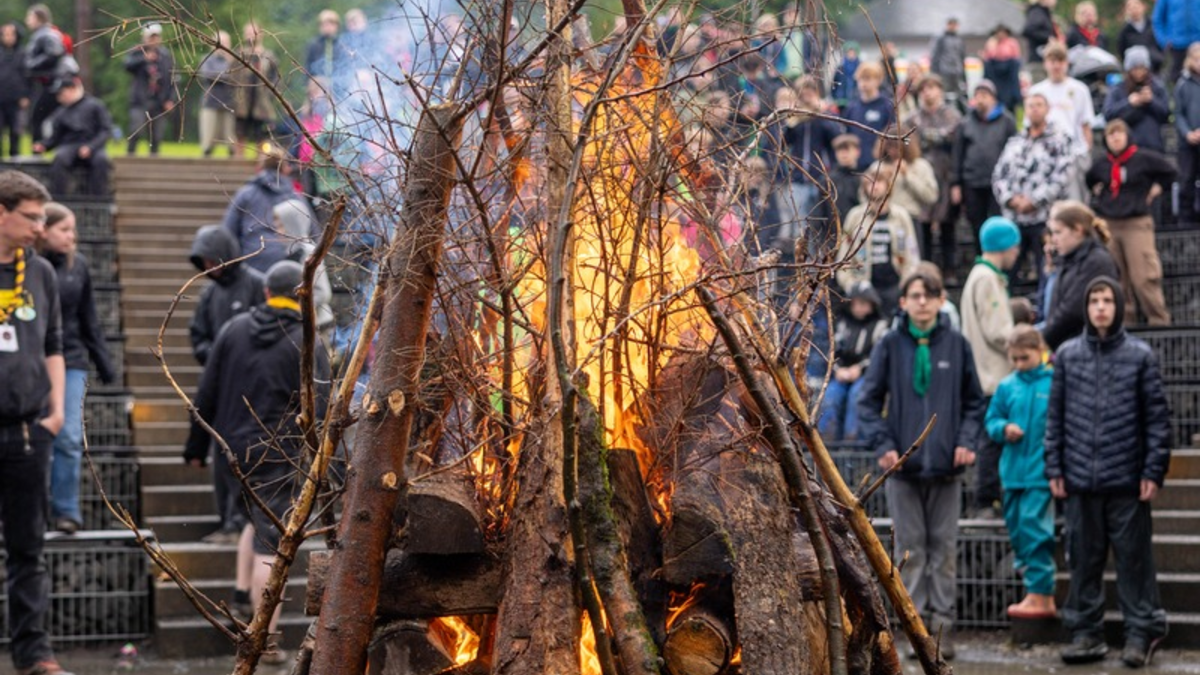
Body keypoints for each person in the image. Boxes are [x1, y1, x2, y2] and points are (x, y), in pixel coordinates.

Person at [184, 261, 330, 665]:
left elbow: (206, 390)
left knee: (253, 519)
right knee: (272, 541)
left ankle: (239, 594)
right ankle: (263, 640)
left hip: (230, 447)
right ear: (303, 295)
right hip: (277, 453)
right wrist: (323, 462)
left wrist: (196, 446)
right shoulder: (306, 340)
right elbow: (320, 407)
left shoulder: (233, 329)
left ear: (266, 292)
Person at [857, 265, 986, 660]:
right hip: (903, 470)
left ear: (942, 300)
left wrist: (966, 441)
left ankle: (943, 629)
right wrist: (884, 445)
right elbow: (867, 401)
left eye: (930, 295)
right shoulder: (889, 345)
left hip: (947, 467)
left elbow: (974, 402)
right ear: (903, 301)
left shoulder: (957, 345)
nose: (923, 302)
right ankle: (916, 632)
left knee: (944, 550)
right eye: (915, 295)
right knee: (909, 551)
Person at [1046, 277, 1170, 667]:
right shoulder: (1067, 355)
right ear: (1086, 307)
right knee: (1083, 561)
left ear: (1118, 306)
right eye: (1094, 300)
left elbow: (1157, 419)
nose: (1100, 307)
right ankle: (1085, 634)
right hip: (1080, 479)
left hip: (1128, 481)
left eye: (1107, 300)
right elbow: (1055, 418)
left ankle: (1141, 633)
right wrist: (1055, 466)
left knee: (1135, 561)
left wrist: (1153, 470)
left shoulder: (1140, 355)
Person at [0, 170, 74, 675]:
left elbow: (53, 344)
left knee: (28, 550)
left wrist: (57, 412)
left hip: (29, 432)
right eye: (30, 218)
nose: (40, 228)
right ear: (1, 213)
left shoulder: (41, 272)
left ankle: (34, 656)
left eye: (44, 218)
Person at [36, 203, 114, 535]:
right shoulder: (28, 265)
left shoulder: (77, 265)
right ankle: (31, 508)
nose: (72, 236)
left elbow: (89, 318)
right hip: (31, 360)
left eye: (73, 230)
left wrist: (104, 364)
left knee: (68, 436)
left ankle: (66, 510)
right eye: (64, 229)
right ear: (44, 230)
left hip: (71, 359)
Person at [187, 224, 264, 545]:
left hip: (253, 386)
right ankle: (229, 522)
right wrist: (215, 357)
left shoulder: (256, 284)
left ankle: (242, 522)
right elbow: (198, 335)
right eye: (203, 262)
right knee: (221, 455)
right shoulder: (209, 294)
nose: (209, 267)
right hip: (220, 385)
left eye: (212, 260)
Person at [985, 325, 1056, 619]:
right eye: (1014, 359)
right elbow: (992, 419)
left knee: (1034, 528)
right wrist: (1003, 428)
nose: (1019, 364)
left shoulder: (1053, 383)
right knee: (1017, 530)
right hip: (1012, 472)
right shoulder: (1007, 386)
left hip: (1040, 472)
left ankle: (1042, 591)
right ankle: (1032, 590)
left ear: (1040, 352)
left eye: (1024, 358)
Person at [1085, 119, 1174, 326]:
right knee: (1116, 278)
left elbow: (1171, 172)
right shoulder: (1102, 164)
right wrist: (1098, 191)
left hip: (1136, 223)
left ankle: (1159, 321)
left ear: (1127, 136)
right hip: (1110, 224)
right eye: (1110, 135)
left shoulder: (1143, 158)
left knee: (1144, 276)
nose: (1115, 138)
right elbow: (1090, 179)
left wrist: (1157, 189)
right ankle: (1124, 323)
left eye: (1119, 133)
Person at [959, 217, 1020, 517]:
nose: (1017, 252)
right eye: (1015, 245)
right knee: (991, 440)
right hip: (991, 375)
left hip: (984, 371)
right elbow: (998, 330)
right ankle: (985, 500)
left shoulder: (980, 275)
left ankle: (987, 499)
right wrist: (1025, 339)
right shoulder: (987, 278)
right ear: (1005, 246)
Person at [992, 93, 1074, 282]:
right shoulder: (1015, 142)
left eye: (1039, 105)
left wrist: (1035, 200)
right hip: (1014, 219)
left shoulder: (1060, 140)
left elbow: (1063, 175)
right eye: (1030, 105)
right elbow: (998, 175)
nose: (1034, 109)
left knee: (1048, 273)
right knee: (1005, 278)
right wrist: (1010, 199)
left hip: (1044, 219)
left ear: (1047, 109)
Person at [837, 163, 921, 315]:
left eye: (879, 181)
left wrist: (907, 284)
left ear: (888, 185)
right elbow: (843, 257)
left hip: (895, 287)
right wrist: (852, 286)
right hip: (864, 289)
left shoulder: (901, 217)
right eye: (870, 183)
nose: (874, 186)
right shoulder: (855, 217)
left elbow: (912, 253)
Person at [1039, 201, 1120, 351]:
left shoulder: (1097, 261)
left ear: (1077, 230)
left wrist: (1041, 339)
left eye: (1058, 232)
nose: (1053, 239)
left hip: (1087, 351)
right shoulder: (1068, 259)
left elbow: (1072, 311)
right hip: (1065, 348)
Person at [222, 146, 315, 274]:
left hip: (252, 259)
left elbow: (229, 230)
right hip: (289, 261)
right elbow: (313, 229)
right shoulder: (295, 196)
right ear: (285, 169)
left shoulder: (246, 193)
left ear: (260, 167)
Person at [902, 75, 960, 275]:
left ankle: (950, 269)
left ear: (940, 90)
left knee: (948, 225)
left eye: (932, 87)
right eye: (923, 89)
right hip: (921, 176)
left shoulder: (952, 115)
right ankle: (924, 270)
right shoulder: (912, 118)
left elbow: (952, 136)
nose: (927, 92)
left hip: (946, 174)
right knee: (922, 226)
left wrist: (926, 136)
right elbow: (906, 140)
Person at [819, 280, 888, 442]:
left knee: (857, 396)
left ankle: (854, 442)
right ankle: (827, 441)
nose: (858, 308)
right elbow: (832, 351)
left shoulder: (880, 326)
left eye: (863, 303)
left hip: (868, 376)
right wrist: (838, 370)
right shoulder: (842, 324)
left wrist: (860, 369)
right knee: (830, 395)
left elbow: (879, 355)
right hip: (842, 374)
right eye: (855, 304)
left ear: (872, 304)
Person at [953, 80, 1017, 249]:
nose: (980, 99)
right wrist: (956, 183)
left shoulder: (1007, 121)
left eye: (984, 95)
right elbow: (958, 154)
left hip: (998, 183)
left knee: (998, 221)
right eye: (977, 96)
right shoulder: (965, 123)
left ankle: (1001, 253)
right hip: (972, 181)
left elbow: (1015, 152)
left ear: (993, 98)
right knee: (976, 223)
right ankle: (980, 254)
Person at [31, 76, 112, 197]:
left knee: (101, 161)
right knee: (60, 159)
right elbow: (56, 137)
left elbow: (105, 130)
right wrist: (44, 145)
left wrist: (91, 146)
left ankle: (99, 199)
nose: (59, 98)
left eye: (61, 93)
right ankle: (60, 197)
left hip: (93, 144)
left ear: (71, 89)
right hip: (70, 145)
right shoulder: (61, 112)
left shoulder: (96, 106)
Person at [1102, 46, 1169, 152]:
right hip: (1127, 148)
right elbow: (1108, 115)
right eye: (1135, 68)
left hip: (1153, 145)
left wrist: (1151, 100)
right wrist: (1129, 103)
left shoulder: (1157, 87)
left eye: (1142, 68)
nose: (1139, 72)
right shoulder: (1118, 89)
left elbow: (1166, 114)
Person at [124, 23, 176, 156]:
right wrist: (144, 59)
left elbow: (172, 79)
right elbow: (127, 65)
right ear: (145, 38)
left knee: (156, 136)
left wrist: (170, 99)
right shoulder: (137, 51)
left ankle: (154, 162)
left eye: (156, 37)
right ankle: (130, 157)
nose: (154, 40)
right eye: (151, 37)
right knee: (136, 130)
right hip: (140, 100)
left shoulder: (165, 55)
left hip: (159, 101)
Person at [232, 22, 280, 157]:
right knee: (240, 133)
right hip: (242, 103)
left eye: (253, 32)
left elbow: (276, 78)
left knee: (262, 136)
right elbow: (231, 77)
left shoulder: (269, 56)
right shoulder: (239, 54)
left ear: (260, 34)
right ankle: (238, 161)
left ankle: (261, 163)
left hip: (262, 103)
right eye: (247, 32)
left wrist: (270, 94)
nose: (250, 35)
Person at [22, 5, 65, 149]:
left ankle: (39, 150)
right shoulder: (42, 34)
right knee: (39, 117)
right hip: (45, 84)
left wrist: (32, 64)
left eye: (29, 17)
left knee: (38, 117)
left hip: (51, 84)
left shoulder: (47, 34)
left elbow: (55, 53)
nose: (27, 20)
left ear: (38, 18)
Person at [843, 61, 893, 171]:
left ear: (878, 80)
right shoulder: (852, 107)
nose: (863, 83)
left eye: (868, 79)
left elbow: (892, 133)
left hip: (879, 166)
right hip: (855, 165)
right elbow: (846, 134)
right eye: (861, 79)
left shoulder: (886, 106)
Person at [197, 31, 236, 158]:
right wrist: (226, 75)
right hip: (211, 101)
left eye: (225, 42)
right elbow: (207, 75)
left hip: (228, 102)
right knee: (208, 137)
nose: (222, 45)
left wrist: (223, 74)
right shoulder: (207, 59)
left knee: (230, 136)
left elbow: (237, 77)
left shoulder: (234, 61)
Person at [1176, 44, 1200, 225]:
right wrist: (1188, 133)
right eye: (1196, 59)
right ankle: (1186, 223)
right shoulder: (1182, 84)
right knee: (1186, 182)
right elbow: (1178, 113)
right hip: (1188, 144)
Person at [1152, 0, 1200, 86]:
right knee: (1175, 79)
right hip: (1176, 45)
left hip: (1197, 44)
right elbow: (1157, 20)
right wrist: (1164, 41)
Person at [0, 22, 29, 158]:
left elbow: (27, 77)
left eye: (11, 34)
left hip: (16, 99)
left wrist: (26, 96)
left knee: (16, 131)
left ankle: (14, 159)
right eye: (5, 34)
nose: (8, 37)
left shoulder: (23, 53)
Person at [981, 25, 1023, 113]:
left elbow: (1016, 57)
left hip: (1009, 74)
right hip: (995, 74)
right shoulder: (992, 43)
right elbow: (988, 56)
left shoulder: (1012, 43)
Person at [1116, 0, 1165, 75]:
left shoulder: (1154, 25)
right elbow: (1121, 50)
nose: (1134, 10)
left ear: (1143, 6)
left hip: (1155, 68)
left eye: (1136, 6)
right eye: (1130, 7)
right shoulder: (1124, 31)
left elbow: (1161, 43)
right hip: (1134, 73)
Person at [305, 10, 349, 87]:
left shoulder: (342, 45)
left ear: (336, 26)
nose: (327, 27)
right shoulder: (314, 45)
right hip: (318, 86)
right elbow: (308, 67)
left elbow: (346, 68)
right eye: (324, 25)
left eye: (330, 24)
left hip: (338, 85)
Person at [1022, 0, 1062, 82]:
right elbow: (1028, 30)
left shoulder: (1044, 13)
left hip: (1045, 61)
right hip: (1038, 62)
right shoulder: (1037, 12)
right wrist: (1048, 38)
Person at [929, 17, 966, 101]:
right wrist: (934, 73)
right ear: (947, 25)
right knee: (944, 94)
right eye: (951, 24)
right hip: (944, 72)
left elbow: (962, 58)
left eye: (955, 25)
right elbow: (935, 57)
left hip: (957, 72)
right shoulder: (941, 39)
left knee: (959, 95)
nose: (953, 27)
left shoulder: (959, 40)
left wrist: (964, 77)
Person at [830, 134, 862, 223]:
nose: (843, 154)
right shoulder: (828, 180)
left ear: (857, 152)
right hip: (833, 227)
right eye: (840, 150)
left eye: (847, 150)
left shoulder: (863, 179)